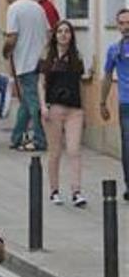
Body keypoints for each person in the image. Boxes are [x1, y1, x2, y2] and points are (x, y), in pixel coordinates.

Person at [38, 21, 87, 207]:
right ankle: (54, 190)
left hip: (74, 110)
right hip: (54, 109)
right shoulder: (48, 57)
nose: (64, 35)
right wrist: (43, 106)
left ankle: (76, 191)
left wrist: (84, 110)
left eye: (67, 31)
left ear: (71, 36)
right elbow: (41, 84)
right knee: (55, 152)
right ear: (55, 35)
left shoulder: (77, 57)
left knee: (74, 150)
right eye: (60, 31)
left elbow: (80, 84)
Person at [3, 0, 49, 152]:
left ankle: (40, 139)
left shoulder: (13, 9)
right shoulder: (37, 7)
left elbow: (12, 37)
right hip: (40, 60)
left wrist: (5, 51)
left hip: (25, 62)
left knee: (33, 101)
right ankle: (16, 137)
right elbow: (49, 32)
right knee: (26, 102)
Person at [100, 8, 129, 201]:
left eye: (128, 23)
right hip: (125, 103)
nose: (126, 27)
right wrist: (102, 102)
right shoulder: (114, 49)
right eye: (122, 23)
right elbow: (108, 76)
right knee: (127, 145)